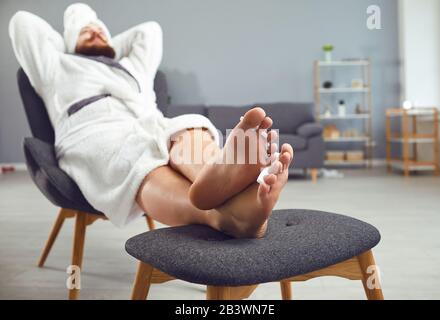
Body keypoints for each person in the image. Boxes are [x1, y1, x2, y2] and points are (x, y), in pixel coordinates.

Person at [9, 3, 294, 238]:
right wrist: (73, 39)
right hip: (94, 131)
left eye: (100, 30)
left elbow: (150, 31)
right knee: (140, 164)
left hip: (149, 122)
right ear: (69, 43)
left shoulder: (132, 67)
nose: (95, 31)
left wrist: (99, 40)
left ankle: (219, 174)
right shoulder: (55, 66)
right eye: (86, 32)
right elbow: (22, 23)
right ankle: (228, 213)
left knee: (188, 126)